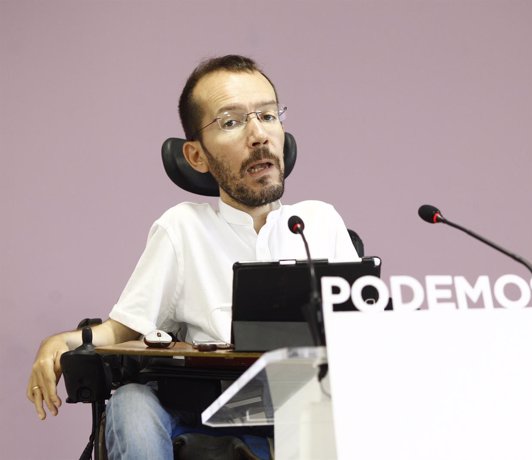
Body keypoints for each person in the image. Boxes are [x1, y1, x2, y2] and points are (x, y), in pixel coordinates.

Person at [27, 54, 359, 459]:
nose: (258, 135)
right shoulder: (181, 228)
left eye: (268, 116)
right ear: (196, 156)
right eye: (232, 122)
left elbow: (364, 341)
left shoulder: (320, 222)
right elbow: (126, 329)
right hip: (205, 414)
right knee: (131, 402)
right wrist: (58, 341)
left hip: (305, 415)